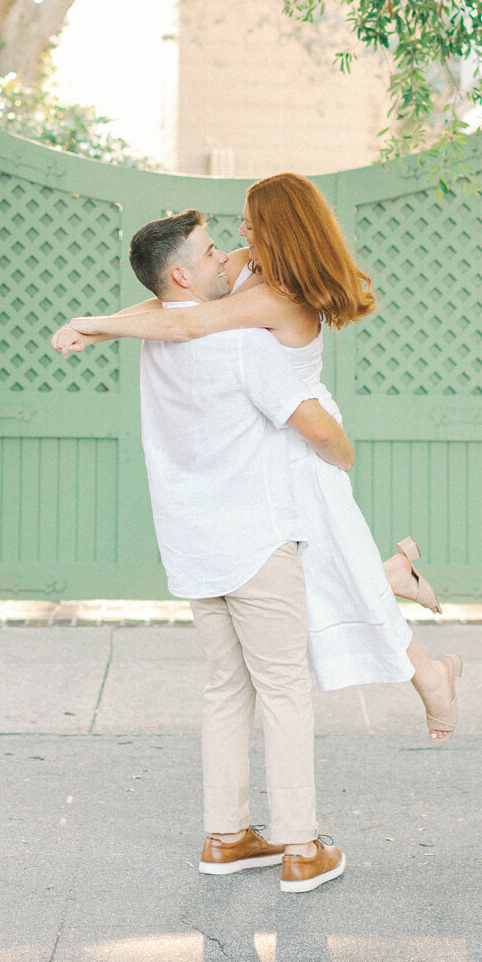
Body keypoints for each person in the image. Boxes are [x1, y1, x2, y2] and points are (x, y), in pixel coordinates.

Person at [51, 175, 463, 742]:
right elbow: (174, 299)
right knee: (324, 567)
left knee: (330, 570)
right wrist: (98, 329)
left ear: (280, 232)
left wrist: (94, 326)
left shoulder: (280, 296)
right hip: (271, 434)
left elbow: (188, 322)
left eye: (250, 222)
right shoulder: (246, 264)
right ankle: (396, 583)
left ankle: (429, 675)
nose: (238, 232)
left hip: (302, 435)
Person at [83, 209, 348, 893]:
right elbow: (309, 421)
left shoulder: (158, 343)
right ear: (182, 274)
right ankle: (301, 845)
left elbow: (168, 316)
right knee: (285, 688)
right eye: (208, 251)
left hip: (193, 542)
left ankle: (227, 836)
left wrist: (96, 322)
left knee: (227, 688)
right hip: (256, 537)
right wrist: (346, 454)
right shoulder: (243, 343)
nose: (226, 255)